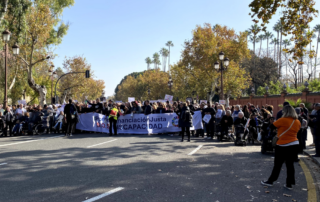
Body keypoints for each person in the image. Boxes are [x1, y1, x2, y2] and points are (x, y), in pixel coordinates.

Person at [261, 105, 301, 190]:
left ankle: (271, 181)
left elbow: (271, 127)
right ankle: (289, 184)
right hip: (294, 144)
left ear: (285, 112)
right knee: (290, 165)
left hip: (283, 144)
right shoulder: (297, 121)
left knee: (278, 165)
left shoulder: (282, 120)